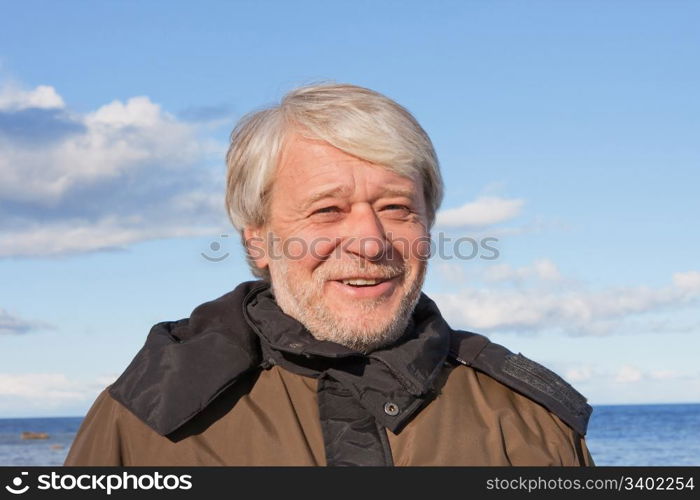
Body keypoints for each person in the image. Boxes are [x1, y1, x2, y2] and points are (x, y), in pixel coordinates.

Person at [65, 83, 594, 466]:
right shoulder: (152, 417)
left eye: (396, 208)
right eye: (327, 211)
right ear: (257, 237)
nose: (369, 241)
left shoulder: (526, 421)